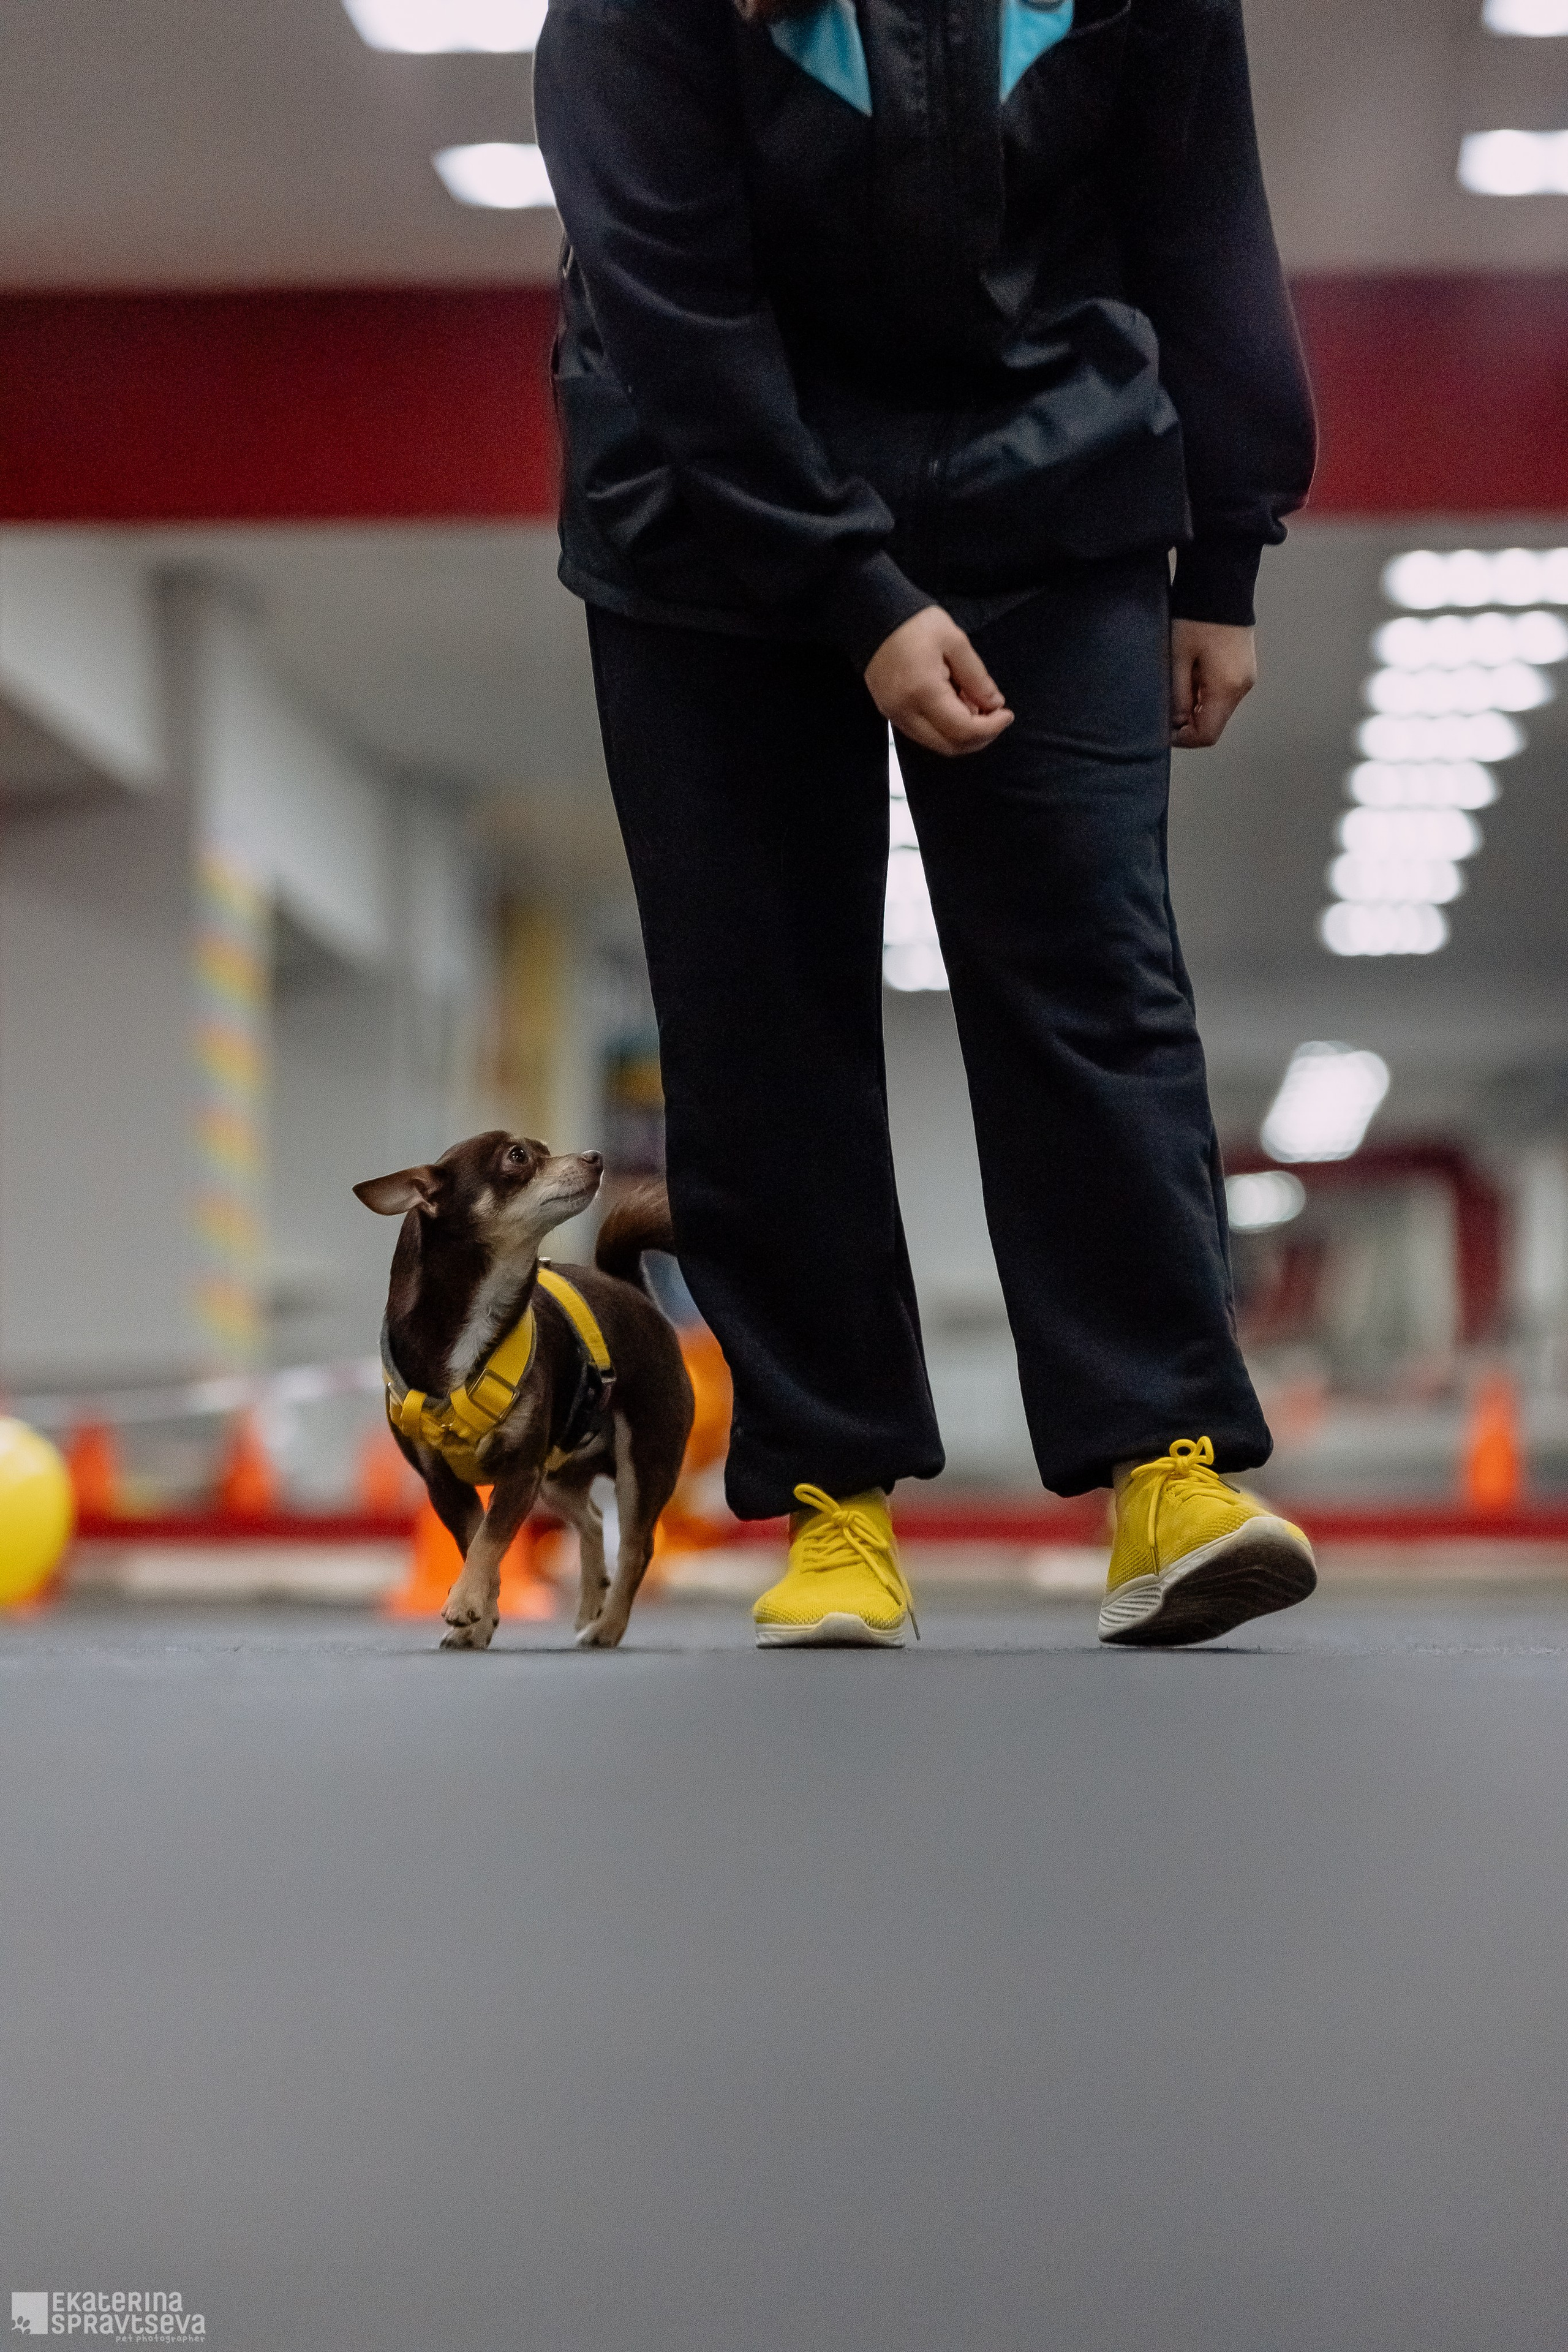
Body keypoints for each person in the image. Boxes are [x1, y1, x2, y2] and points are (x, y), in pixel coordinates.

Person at [533, 0, 1319, 1649]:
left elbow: (1205, 217)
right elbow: (671, 303)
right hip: (705, 517)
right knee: (761, 1006)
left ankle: (1165, 1470)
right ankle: (833, 1502)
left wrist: (1225, 547)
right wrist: (856, 591)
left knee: (1089, 963)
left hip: (1053, 480)